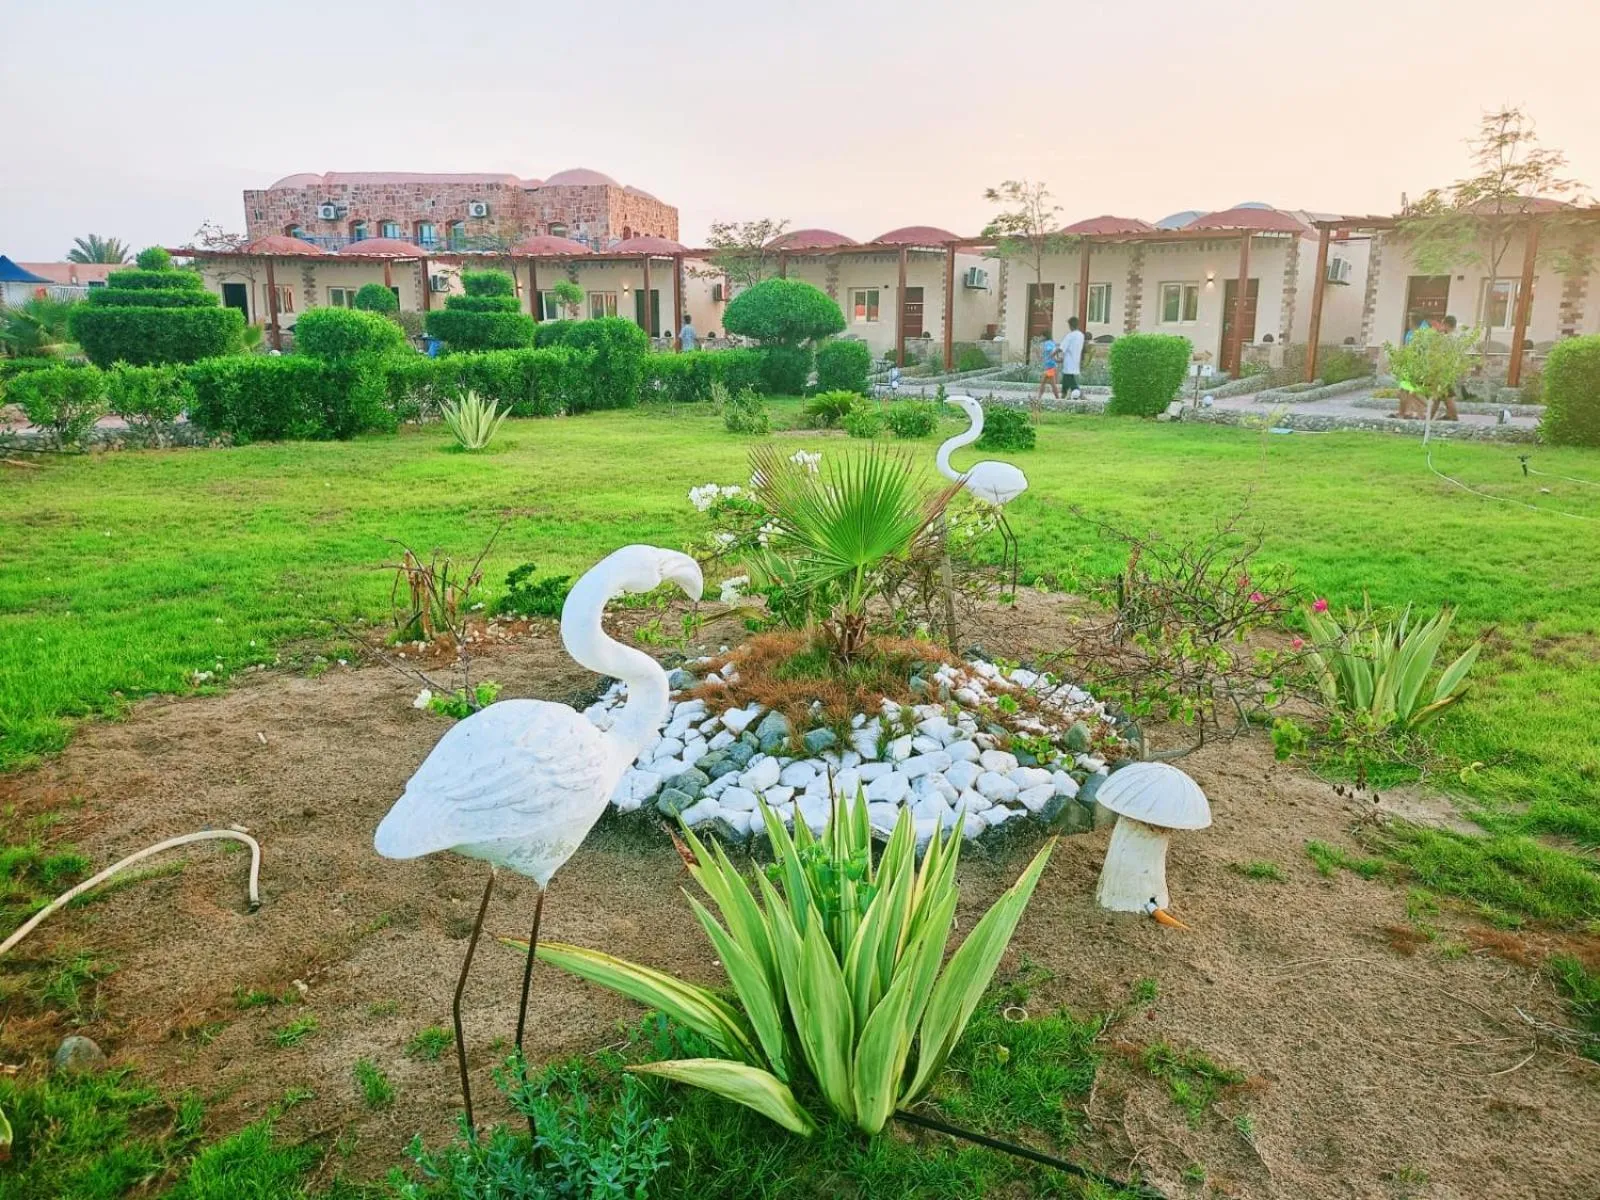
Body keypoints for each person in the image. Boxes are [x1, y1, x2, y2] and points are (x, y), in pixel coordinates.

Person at [1060, 317, 1085, 399]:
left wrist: (1052, 355)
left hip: (1068, 364)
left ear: (1070, 325)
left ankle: (1081, 395)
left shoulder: (1070, 336)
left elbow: (1061, 348)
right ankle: (1063, 396)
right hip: (1075, 363)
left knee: (1073, 384)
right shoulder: (1081, 335)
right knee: (1066, 384)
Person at [1034, 337, 1061, 404]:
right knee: (1047, 383)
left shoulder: (1048, 345)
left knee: (1046, 382)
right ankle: (1057, 399)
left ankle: (1039, 398)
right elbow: (1042, 357)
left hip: (1050, 366)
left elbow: (1051, 354)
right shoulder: (1050, 344)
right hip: (1049, 366)